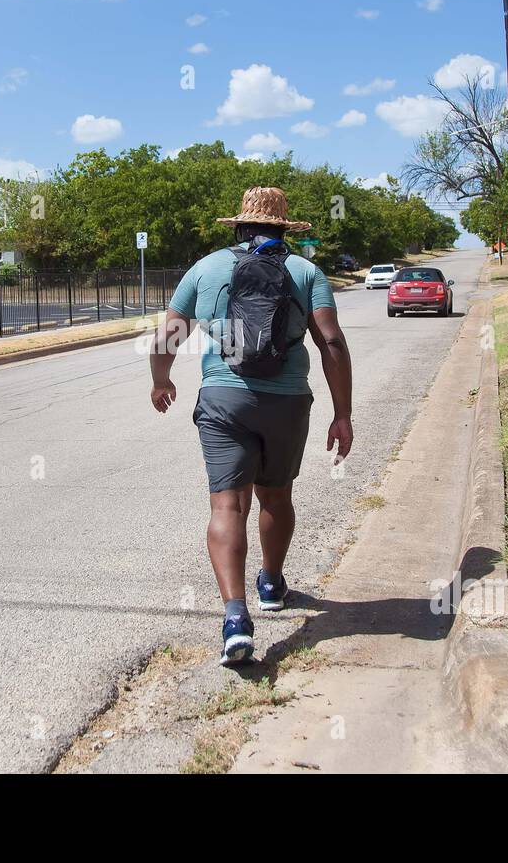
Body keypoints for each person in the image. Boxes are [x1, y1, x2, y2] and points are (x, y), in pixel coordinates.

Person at [149, 186, 353, 665]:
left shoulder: (206, 268)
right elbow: (333, 343)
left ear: (238, 227)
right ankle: (271, 583)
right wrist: (342, 413)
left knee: (227, 504)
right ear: (283, 229)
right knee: (276, 495)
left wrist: (161, 381)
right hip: (286, 403)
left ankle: (236, 618)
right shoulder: (305, 271)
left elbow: (168, 335)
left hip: (224, 400)